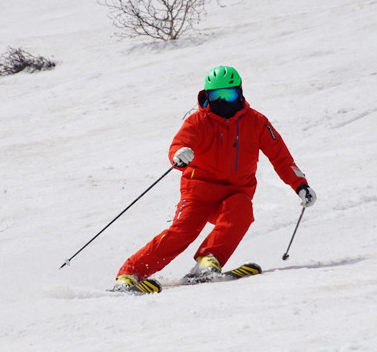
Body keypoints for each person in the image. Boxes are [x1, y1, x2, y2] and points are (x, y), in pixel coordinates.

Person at [113, 65, 316, 292]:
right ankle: (130, 273)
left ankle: (207, 262)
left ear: (240, 92)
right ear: (207, 96)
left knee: (241, 211)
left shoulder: (256, 122)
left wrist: (300, 185)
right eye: (215, 95)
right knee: (182, 232)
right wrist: (180, 154)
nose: (222, 101)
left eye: (228, 94)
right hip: (199, 191)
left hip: (236, 191)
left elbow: (281, 156)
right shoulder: (198, 121)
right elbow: (179, 144)